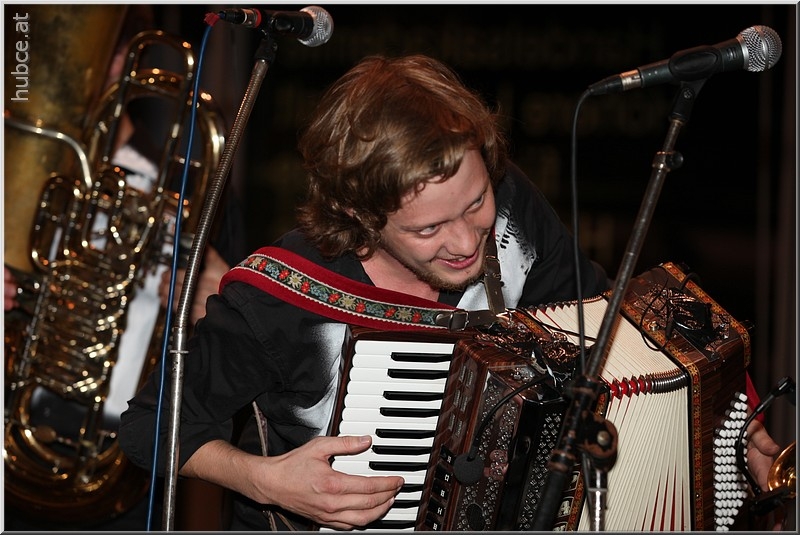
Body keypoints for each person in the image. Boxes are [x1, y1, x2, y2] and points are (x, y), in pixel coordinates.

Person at [119, 54, 781, 531]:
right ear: (359, 214)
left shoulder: (512, 206)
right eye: (428, 228)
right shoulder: (279, 298)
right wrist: (267, 481)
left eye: (475, 203)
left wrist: (724, 421)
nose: (467, 241)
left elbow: (605, 321)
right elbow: (150, 425)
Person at [3, 6, 247, 531]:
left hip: (122, 469)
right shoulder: (10, 175)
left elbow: (234, 358)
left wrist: (219, 306)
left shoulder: (189, 185)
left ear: (125, 60)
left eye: (98, 49)